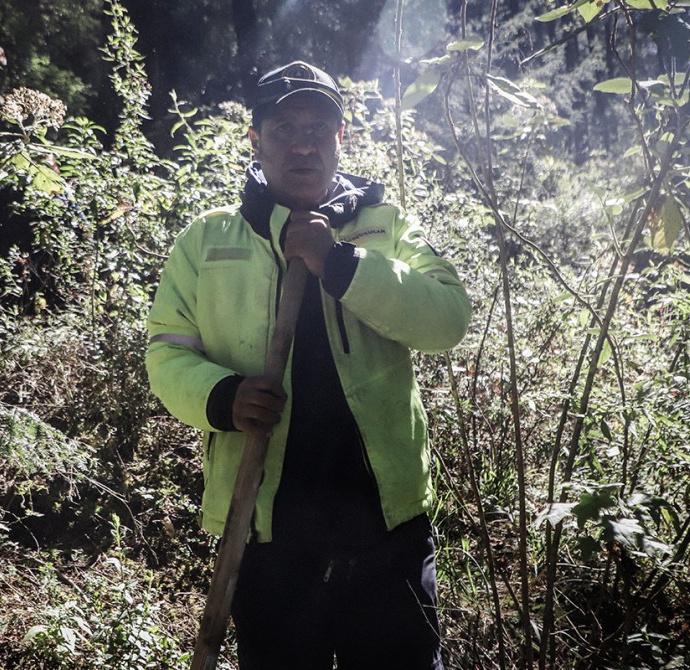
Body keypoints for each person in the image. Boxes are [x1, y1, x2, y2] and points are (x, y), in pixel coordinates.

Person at [146, 61, 471, 669]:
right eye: (284, 129)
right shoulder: (207, 239)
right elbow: (167, 352)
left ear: (340, 140)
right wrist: (223, 398)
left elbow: (448, 319)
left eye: (319, 128)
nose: (303, 144)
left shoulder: (385, 225)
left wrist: (342, 264)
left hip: (386, 527)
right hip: (268, 532)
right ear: (255, 141)